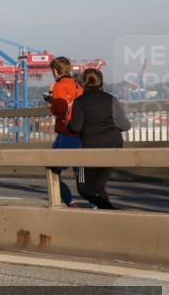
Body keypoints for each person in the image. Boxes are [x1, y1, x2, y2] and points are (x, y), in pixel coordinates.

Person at [67, 68, 131, 209]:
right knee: (98, 185)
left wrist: (68, 122)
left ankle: (111, 211)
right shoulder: (111, 99)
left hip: (90, 151)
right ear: (101, 81)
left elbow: (75, 127)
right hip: (114, 148)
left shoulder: (80, 102)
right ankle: (109, 214)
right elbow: (125, 125)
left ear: (83, 82)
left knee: (83, 188)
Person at [45, 56, 84, 207]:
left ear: (55, 71)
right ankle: (93, 201)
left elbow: (60, 110)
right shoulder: (78, 86)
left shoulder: (58, 86)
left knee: (52, 170)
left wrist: (50, 103)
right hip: (80, 135)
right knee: (80, 172)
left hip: (65, 133)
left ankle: (69, 201)